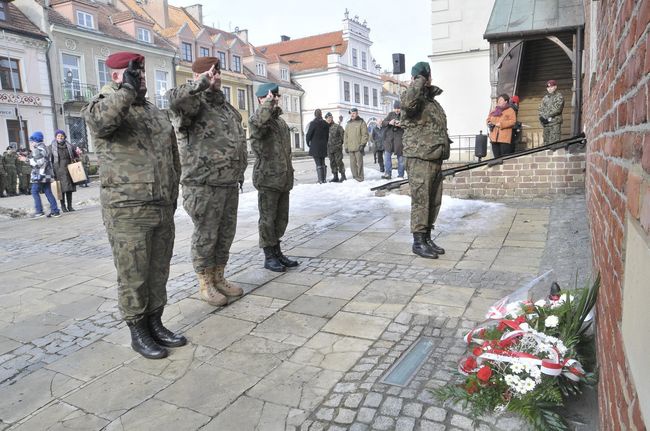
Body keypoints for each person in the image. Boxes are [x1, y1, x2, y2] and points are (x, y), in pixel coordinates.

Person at [82, 51, 185, 359]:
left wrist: (173, 193)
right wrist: (125, 90)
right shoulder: (102, 105)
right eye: (133, 72)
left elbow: (172, 156)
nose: (141, 78)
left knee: (158, 271)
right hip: (127, 209)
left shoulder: (154, 111)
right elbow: (101, 124)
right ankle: (138, 330)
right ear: (116, 76)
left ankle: (156, 322)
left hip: (161, 204)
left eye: (141, 73)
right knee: (134, 274)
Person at [168, 56, 247, 306]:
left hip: (228, 183)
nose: (216, 76)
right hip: (202, 184)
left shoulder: (227, 108)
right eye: (210, 73)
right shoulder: (191, 104)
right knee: (206, 235)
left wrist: (239, 170)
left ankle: (219, 277)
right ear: (198, 76)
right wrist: (200, 82)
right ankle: (205, 282)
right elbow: (175, 99)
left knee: (225, 235)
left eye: (217, 72)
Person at [401, 61, 450, 259]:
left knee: (433, 199)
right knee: (421, 199)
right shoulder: (413, 97)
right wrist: (419, 80)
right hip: (419, 156)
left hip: (434, 155)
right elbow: (407, 103)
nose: (429, 80)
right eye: (425, 76)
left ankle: (427, 237)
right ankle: (418, 242)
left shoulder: (431, 101)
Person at [249, 83, 299, 272]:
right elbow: (260, 123)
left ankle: (277, 252)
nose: (275, 99)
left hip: (283, 178)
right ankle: (269, 256)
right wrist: (267, 105)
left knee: (280, 219)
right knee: (267, 220)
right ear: (261, 99)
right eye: (271, 96)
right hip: (267, 178)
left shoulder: (280, 122)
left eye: (277, 95)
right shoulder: (258, 119)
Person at [26, 132, 61, 218]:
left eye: (32, 141)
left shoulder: (39, 149)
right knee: (48, 192)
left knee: (34, 191)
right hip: (47, 174)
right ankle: (55, 211)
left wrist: (26, 160)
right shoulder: (45, 147)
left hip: (40, 175)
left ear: (35, 140)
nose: (31, 143)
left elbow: (38, 163)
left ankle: (39, 211)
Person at [50, 130, 79, 212]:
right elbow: (50, 160)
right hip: (58, 170)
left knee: (69, 189)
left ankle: (70, 206)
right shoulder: (52, 147)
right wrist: (52, 172)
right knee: (61, 189)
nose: (60, 137)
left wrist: (77, 155)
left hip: (69, 169)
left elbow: (76, 156)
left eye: (62, 136)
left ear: (64, 137)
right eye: (58, 136)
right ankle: (63, 207)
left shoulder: (70, 146)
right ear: (56, 137)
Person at [343, 108, 369, 182]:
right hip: (350, 148)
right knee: (352, 164)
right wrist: (346, 146)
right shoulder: (348, 124)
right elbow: (345, 136)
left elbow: (365, 135)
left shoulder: (361, 122)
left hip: (358, 148)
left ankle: (360, 178)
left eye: (353, 113)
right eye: (351, 113)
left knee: (360, 164)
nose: (352, 115)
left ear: (357, 114)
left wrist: (362, 145)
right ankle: (355, 177)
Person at [305, 109, 330, 183]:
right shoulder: (325, 123)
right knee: (323, 162)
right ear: (321, 114)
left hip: (315, 146)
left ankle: (320, 180)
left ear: (315, 114)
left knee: (318, 163)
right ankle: (324, 179)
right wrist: (325, 142)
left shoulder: (313, 123)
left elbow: (309, 134)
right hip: (323, 146)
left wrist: (308, 142)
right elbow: (327, 135)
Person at [382, 101, 404, 179]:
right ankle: (388, 173)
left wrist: (401, 124)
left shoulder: (404, 115)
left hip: (399, 141)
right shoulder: (390, 114)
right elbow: (383, 123)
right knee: (387, 158)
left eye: (398, 108)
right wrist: (389, 122)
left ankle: (400, 175)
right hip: (389, 140)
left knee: (400, 159)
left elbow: (408, 125)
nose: (397, 110)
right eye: (395, 108)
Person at [538, 79, 564, 144]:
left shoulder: (559, 96)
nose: (549, 89)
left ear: (555, 87)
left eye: (551, 87)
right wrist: (542, 118)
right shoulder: (545, 98)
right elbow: (540, 109)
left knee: (554, 144)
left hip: (554, 123)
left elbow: (557, 109)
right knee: (546, 144)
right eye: (548, 87)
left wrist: (546, 116)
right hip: (546, 125)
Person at [325, 112, 346, 182]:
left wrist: (340, 144)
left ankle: (343, 176)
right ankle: (335, 176)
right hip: (329, 149)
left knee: (339, 162)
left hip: (337, 149)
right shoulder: (325, 127)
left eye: (330, 117)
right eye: (328, 118)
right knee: (332, 163)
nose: (329, 119)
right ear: (326, 119)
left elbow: (344, 136)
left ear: (332, 118)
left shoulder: (337, 126)